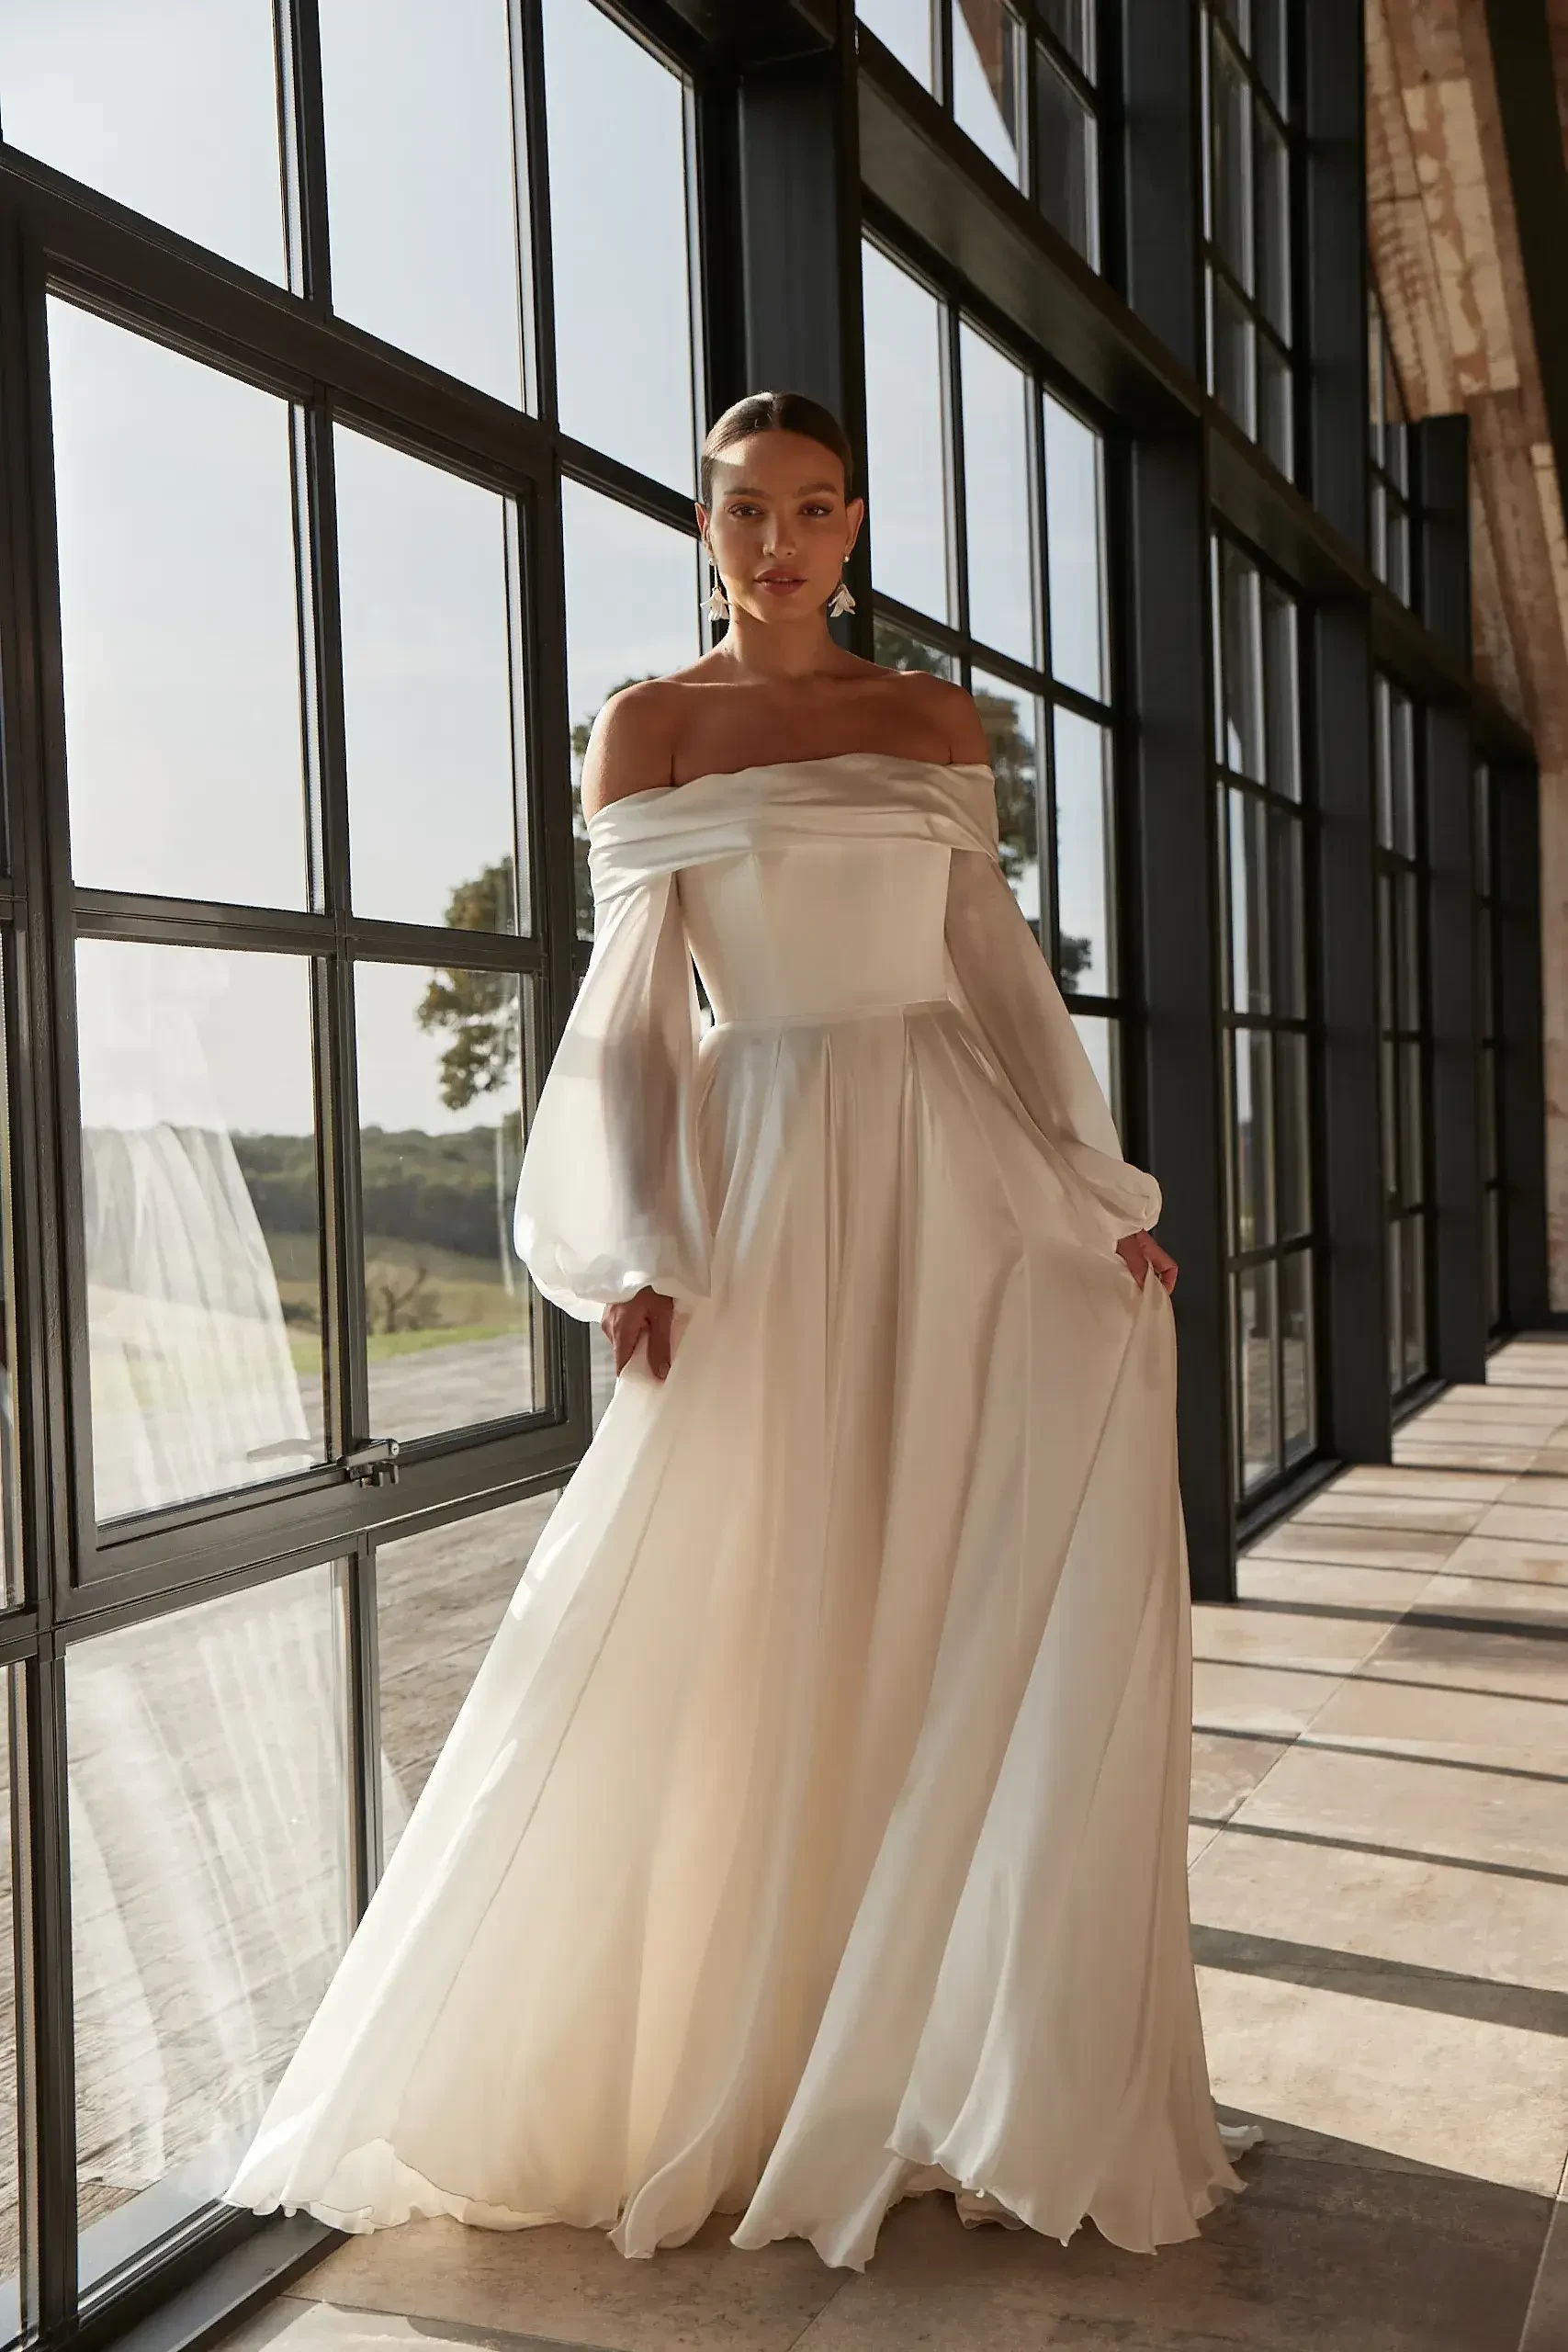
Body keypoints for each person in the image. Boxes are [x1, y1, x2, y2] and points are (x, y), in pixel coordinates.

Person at [222, 390, 1258, 2270]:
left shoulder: (928, 722)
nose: (775, 543)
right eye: (742, 512)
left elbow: (992, 970)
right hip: (763, 1174)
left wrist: (1097, 1196)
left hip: (956, 1170)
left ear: (852, 525)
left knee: (951, 1577)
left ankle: (940, 2053)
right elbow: (632, 1014)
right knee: (740, 1584)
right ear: (703, 528)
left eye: (808, 510)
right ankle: (730, 2051)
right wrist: (641, 1242)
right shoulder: (649, 727)